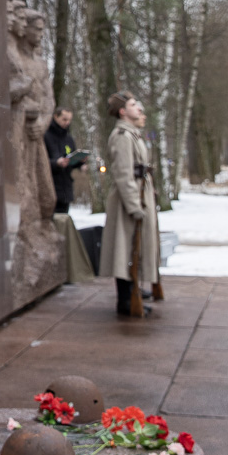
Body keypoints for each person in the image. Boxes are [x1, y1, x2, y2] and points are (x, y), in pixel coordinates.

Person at [97, 91, 159, 316]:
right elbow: (124, 173)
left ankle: (132, 289)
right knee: (125, 248)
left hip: (138, 193)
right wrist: (134, 205)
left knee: (134, 246)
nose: (139, 108)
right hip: (128, 199)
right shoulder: (122, 135)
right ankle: (125, 298)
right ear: (123, 111)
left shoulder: (132, 134)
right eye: (134, 105)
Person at [45, 107, 80, 214]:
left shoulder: (68, 138)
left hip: (66, 188)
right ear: (56, 116)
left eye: (69, 120)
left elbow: (71, 159)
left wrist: (80, 161)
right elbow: (40, 162)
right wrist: (56, 163)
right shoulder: (45, 135)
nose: (67, 123)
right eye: (64, 119)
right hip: (50, 187)